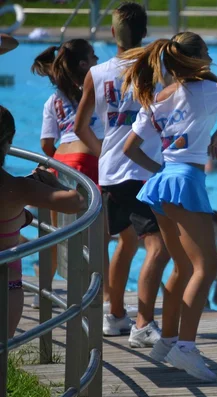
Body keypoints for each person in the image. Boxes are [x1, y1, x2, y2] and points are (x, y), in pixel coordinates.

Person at [120, 32, 217, 380]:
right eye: (206, 51)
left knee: (182, 266)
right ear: (198, 58)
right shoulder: (205, 91)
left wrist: (164, 172)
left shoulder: (159, 97)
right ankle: (186, 348)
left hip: (163, 181)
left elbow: (130, 148)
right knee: (207, 264)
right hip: (185, 181)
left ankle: (167, 340)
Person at [73, 2, 168, 346]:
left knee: (126, 242)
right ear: (145, 32)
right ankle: (143, 323)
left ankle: (114, 315)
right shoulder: (156, 68)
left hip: (112, 171)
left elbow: (80, 126)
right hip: (143, 170)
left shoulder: (96, 74)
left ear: (112, 33)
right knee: (158, 247)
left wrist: (105, 154)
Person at [31, 39, 112, 310]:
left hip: (61, 162)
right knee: (99, 236)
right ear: (83, 64)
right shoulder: (96, 90)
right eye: (93, 56)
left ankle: (43, 291)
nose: (97, 59)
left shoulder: (52, 100)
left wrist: (59, 163)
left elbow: (45, 145)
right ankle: (108, 300)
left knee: (53, 233)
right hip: (88, 158)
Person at [0, 105, 86, 338]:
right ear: (8, 142)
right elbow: (76, 201)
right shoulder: (18, 188)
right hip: (6, 289)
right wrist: (51, 183)